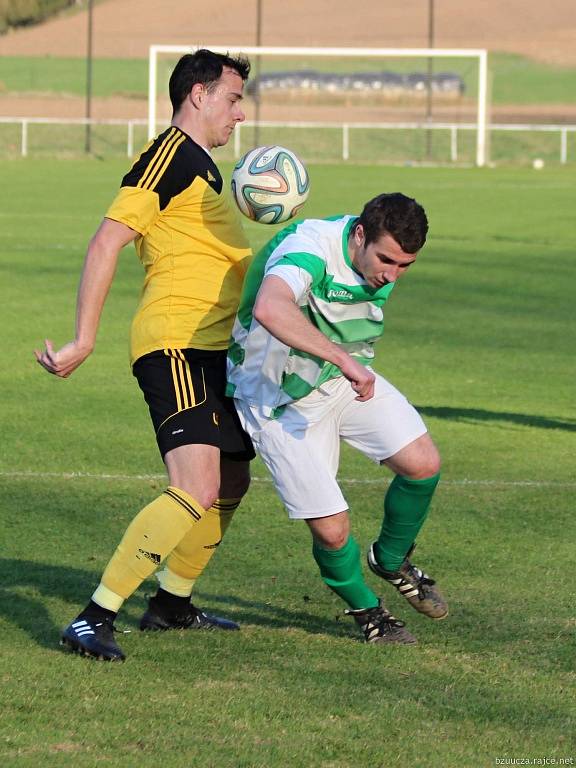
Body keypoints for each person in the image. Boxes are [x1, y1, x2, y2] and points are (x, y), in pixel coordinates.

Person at [35, 49, 255, 661]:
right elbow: (108, 239)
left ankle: (171, 603)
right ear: (199, 95)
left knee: (232, 476)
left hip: (213, 349)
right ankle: (92, 617)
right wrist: (84, 337)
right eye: (233, 98)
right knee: (195, 483)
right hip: (175, 344)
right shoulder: (169, 156)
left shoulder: (203, 166)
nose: (240, 113)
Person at [227, 192, 447, 644]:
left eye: (405, 266)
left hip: (336, 379)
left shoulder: (380, 253)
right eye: (386, 260)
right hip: (274, 399)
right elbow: (270, 307)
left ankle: (390, 559)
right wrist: (344, 360)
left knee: (423, 464)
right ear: (360, 234)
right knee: (332, 529)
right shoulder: (309, 247)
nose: (392, 274)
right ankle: (367, 610)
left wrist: (343, 364)